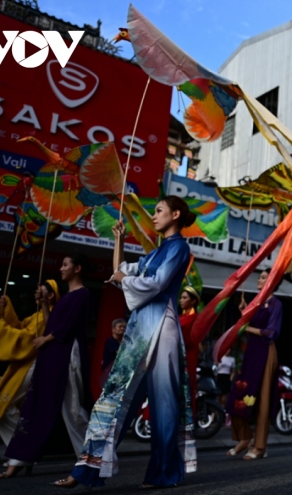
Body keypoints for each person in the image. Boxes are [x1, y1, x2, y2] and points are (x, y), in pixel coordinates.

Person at [56, 197, 196, 488]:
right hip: (141, 326)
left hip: (162, 327)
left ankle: (164, 472)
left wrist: (122, 278)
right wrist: (118, 240)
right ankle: (87, 469)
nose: (154, 216)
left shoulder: (180, 248)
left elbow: (156, 284)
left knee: (165, 404)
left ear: (176, 214)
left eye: (158, 211)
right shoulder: (158, 251)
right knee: (113, 397)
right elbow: (122, 270)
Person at [0, 256, 92, 478]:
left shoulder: (83, 295)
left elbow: (67, 327)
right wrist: (43, 304)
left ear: (77, 268)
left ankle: (92, 461)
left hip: (69, 353)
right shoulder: (66, 297)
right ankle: (18, 459)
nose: (61, 269)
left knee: (73, 411)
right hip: (52, 353)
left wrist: (44, 340)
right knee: (35, 405)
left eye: (65, 265)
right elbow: (52, 324)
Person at [0, 279, 60, 448]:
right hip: (25, 366)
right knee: (5, 408)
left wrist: (1, 327)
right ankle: (20, 449)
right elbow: (19, 327)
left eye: (41, 291)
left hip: (35, 365)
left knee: (4, 406)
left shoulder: (50, 315)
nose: (36, 294)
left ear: (51, 295)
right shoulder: (36, 315)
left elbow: (24, 339)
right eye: (36, 291)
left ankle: (24, 446)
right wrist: (5, 308)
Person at [225, 268, 282, 460]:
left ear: (272, 282)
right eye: (260, 277)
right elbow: (247, 329)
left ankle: (260, 446)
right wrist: (244, 313)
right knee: (237, 396)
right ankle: (244, 438)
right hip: (251, 351)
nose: (260, 279)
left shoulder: (276, 304)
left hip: (266, 351)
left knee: (263, 400)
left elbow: (271, 332)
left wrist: (246, 326)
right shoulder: (255, 303)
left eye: (264, 277)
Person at [179, 286, 202, 415]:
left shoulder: (196, 318)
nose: (181, 301)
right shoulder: (179, 316)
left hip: (187, 356)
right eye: (181, 298)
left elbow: (189, 339)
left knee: (185, 389)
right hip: (174, 355)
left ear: (193, 301)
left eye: (184, 298)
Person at [100, 319, 126, 387]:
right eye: (120, 327)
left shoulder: (123, 342)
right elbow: (120, 354)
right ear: (113, 329)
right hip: (110, 374)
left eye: (124, 327)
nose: (122, 329)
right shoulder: (110, 341)